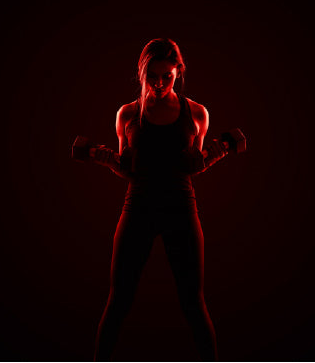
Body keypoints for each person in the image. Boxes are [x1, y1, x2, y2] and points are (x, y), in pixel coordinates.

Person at [92, 38, 227, 361]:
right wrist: (104, 158)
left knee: (193, 302)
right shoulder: (126, 114)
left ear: (178, 72)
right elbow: (127, 170)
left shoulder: (196, 113)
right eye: (152, 75)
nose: (160, 83)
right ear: (142, 73)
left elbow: (191, 166)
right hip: (138, 206)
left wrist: (217, 154)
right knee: (118, 300)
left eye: (167, 75)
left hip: (181, 208)